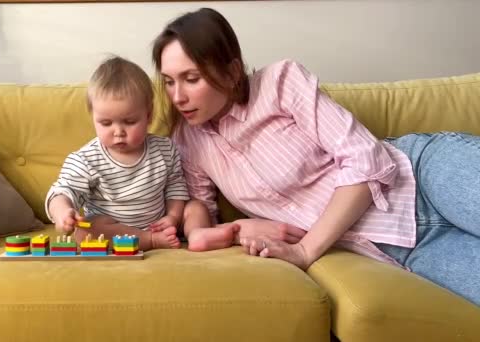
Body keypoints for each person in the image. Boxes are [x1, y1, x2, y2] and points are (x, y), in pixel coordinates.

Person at [151, 7, 480, 305]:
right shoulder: (188, 140)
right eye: (168, 82)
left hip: (425, 175)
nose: (178, 96)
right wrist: (234, 229)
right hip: (402, 247)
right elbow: (202, 211)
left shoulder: (281, 83)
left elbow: (367, 159)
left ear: (232, 71)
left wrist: (305, 250)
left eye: (191, 79)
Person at [45, 56, 193, 251]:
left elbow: (176, 187)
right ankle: (150, 240)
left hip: (160, 224)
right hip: (113, 230)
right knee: (85, 232)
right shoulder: (86, 159)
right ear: (93, 117)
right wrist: (63, 212)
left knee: (196, 208)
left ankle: (199, 234)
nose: (118, 132)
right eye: (106, 123)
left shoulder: (165, 149)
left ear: (148, 115)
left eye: (130, 121)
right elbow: (63, 190)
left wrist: (173, 217)